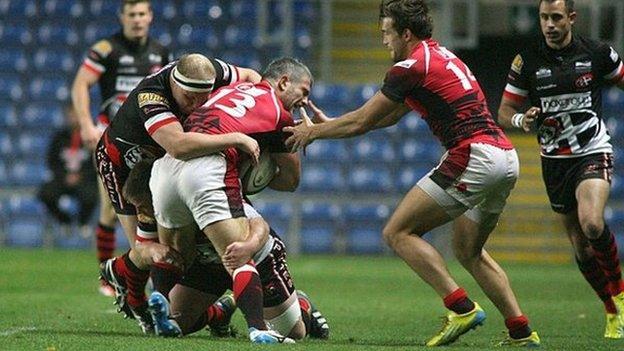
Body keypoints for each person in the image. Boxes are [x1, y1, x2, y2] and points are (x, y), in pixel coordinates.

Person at [284, 0, 540, 347]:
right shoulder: (441, 57)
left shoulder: (408, 67)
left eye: (387, 33)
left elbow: (363, 119)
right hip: (505, 157)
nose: (384, 41)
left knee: (397, 232)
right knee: (469, 251)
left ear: (406, 33)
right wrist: (332, 126)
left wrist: (311, 132)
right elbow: (384, 116)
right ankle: (522, 332)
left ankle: (460, 307)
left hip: (473, 154)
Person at [142, 57, 312, 343]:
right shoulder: (278, 110)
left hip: (168, 167)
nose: (305, 101)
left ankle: (161, 301)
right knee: (239, 253)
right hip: (208, 169)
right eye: (304, 92)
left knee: (176, 256)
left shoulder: (225, 89)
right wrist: (300, 136)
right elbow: (290, 181)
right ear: (284, 82)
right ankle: (258, 327)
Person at [97, 52, 262, 333]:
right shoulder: (152, 98)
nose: (197, 105)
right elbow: (178, 145)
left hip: (160, 165)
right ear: (174, 83)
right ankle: (130, 292)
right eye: (189, 98)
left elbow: (251, 77)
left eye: (204, 97)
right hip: (123, 165)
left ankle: (209, 311)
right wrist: (236, 137)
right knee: (149, 249)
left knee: (179, 249)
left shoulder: (208, 71)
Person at [498, 0, 624, 339]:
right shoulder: (527, 62)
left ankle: (621, 294)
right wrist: (521, 119)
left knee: (592, 223)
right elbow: (505, 110)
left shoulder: (598, 54)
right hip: (554, 161)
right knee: (581, 247)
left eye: (556, 17)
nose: (549, 24)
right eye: (544, 18)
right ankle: (611, 309)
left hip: (592, 150)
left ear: (571, 17)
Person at [122, 160, 329, 341]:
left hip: (254, 258)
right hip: (209, 264)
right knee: (174, 323)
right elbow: (142, 251)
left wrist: (249, 246)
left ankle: (302, 305)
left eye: (142, 206)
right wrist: (151, 253)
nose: (140, 213)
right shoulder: (153, 213)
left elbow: (260, 225)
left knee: (293, 332)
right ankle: (221, 312)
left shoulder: (204, 195)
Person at [70, 0, 170, 297]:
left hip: (147, 139)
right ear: (122, 17)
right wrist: (87, 125)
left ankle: (144, 269)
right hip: (111, 137)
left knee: (150, 205)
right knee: (112, 210)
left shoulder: (160, 52)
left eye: (142, 14)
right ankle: (108, 277)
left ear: (150, 16)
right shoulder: (106, 49)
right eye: (132, 15)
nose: (137, 20)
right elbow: (80, 85)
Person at [38, 104, 98, 234]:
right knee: (45, 193)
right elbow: (52, 161)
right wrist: (65, 175)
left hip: (84, 179)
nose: (74, 118)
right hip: (63, 178)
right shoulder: (59, 137)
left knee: (92, 195)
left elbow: (96, 161)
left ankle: (83, 222)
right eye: (71, 114)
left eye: (77, 114)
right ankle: (64, 221)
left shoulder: (91, 136)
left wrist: (81, 175)